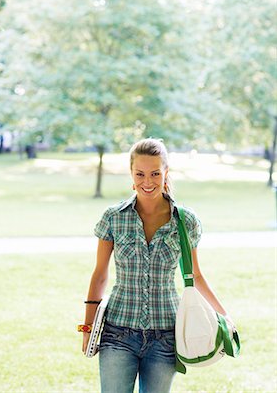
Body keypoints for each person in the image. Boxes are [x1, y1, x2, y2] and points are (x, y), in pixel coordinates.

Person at [80, 138, 234, 393]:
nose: (147, 182)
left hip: (165, 335)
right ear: (131, 174)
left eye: (155, 173)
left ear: (165, 174)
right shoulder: (113, 218)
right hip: (118, 332)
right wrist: (87, 329)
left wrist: (224, 316)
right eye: (140, 174)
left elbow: (195, 274)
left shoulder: (185, 221)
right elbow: (99, 276)